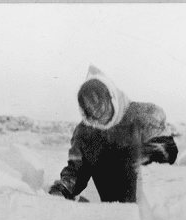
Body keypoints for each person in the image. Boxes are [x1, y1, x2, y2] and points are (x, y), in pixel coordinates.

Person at [49, 66, 178, 203]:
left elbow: (168, 154)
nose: (96, 112)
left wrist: (141, 155)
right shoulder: (85, 134)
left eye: (99, 104)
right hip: (115, 215)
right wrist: (63, 188)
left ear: (110, 97)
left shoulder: (142, 116)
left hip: (152, 213)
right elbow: (76, 172)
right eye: (89, 108)